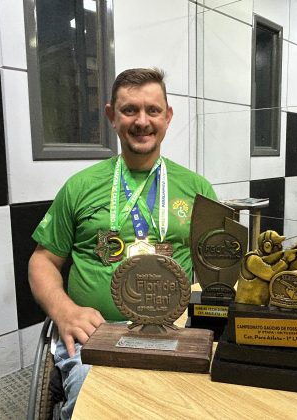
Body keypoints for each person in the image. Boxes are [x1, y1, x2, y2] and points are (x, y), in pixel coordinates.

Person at [28, 67, 217, 419]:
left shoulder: (198, 190)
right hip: (97, 334)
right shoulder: (80, 187)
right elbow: (43, 261)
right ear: (111, 116)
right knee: (98, 406)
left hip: (176, 332)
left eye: (152, 110)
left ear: (167, 116)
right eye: (130, 110)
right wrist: (64, 311)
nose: (142, 121)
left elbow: (217, 269)